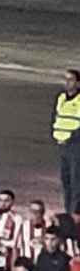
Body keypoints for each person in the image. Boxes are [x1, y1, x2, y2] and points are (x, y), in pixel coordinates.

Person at [53, 68, 80, 213]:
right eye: (66, 79)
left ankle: (74, 212)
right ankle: (68, 210)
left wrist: (72, 137)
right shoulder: (62, 98)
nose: (67, 83)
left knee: (76, 182)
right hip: (62, 145)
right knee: (66, 180)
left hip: (75, 144)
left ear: (78, 83)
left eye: (71, 80)